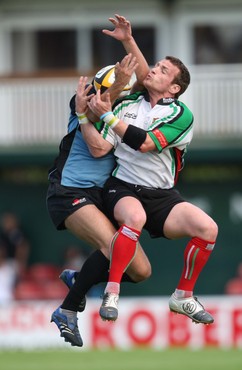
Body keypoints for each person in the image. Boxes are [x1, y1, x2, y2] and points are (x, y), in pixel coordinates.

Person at [80, 15, 218, 325]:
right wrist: (127, 40)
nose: (154, 70)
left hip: (162, 195)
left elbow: (145, 143)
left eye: (163, 70)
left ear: (174, 88)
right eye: (155, 66)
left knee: (208, 229)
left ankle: (183, 296)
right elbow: (101, 145)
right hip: (123, 187)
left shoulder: (181, 115)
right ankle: (112, 291)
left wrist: (107, 118)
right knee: (135, 218)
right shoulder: (129, 101)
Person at [47, 51, 151, 347]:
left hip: (99, 196)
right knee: (112, 247)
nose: (106, 94)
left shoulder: (122, 112)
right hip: (69, 192)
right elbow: (93, 114)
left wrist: (130, 44)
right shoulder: (83, 101)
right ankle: (67, 310)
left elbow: (146, 85)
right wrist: (118, 84)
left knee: (141, 271)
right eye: (107, 88)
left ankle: (81, 278)